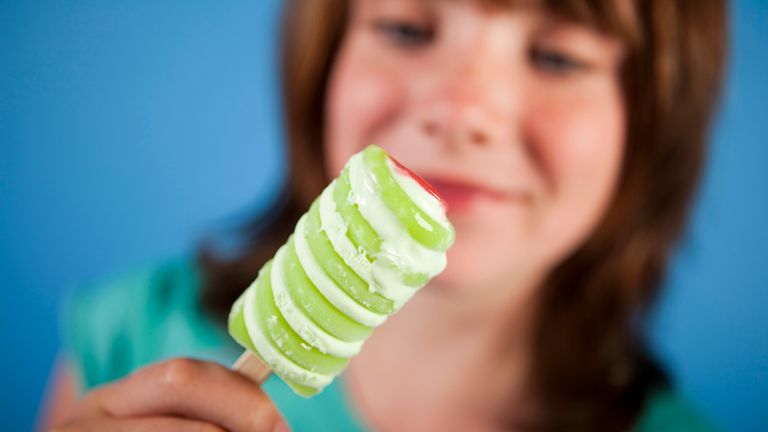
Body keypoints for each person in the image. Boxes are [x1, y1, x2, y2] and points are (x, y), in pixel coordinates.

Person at [43, 0, 727, 430]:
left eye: (557, 56)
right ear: (320, 66)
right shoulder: (135, 335)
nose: (461, 111)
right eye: (405, 28)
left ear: (653, 124)